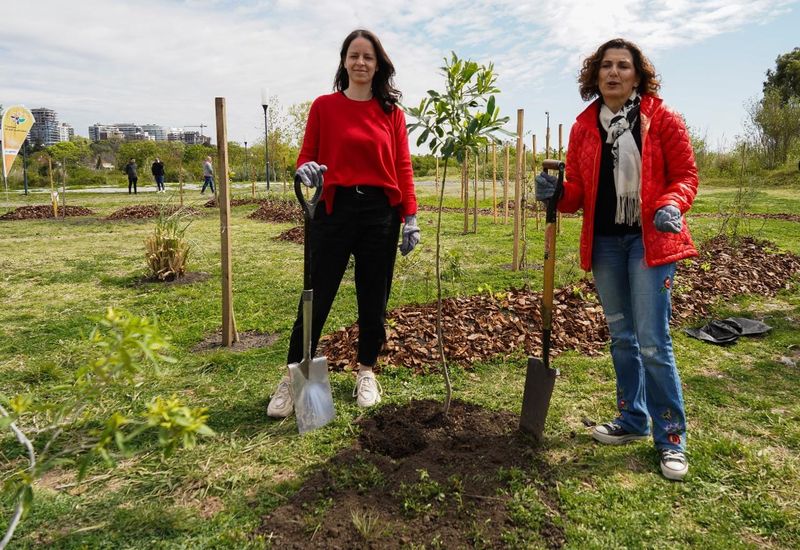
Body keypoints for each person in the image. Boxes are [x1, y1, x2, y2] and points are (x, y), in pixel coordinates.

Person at [535, 38, 698, 481]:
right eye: (605, 66)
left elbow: (686, 176)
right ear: (595, 75)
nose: (613, 73)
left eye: (623, 66)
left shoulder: (663, 119)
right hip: (606, 242)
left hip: (651, 240)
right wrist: (557, 193)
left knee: (652, 342)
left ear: (637, 75)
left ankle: (672, 437)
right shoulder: (585, 127)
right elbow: (578, 194)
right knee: (622, 337)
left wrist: (671, 204)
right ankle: (632, 419)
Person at [267, 29, 420, 418]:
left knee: (374, 297)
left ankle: (366, 370)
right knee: (316, 296)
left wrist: (411, 218)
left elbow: (403, 168)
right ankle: (292, 376)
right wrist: (305, 171)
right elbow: (305, 158)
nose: (361, 63)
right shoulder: (324, 107)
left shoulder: (392, 114)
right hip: (333, 210)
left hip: (378, 215)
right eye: (354, 55)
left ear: (378, 64)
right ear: (344, 61)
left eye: (368, 57)